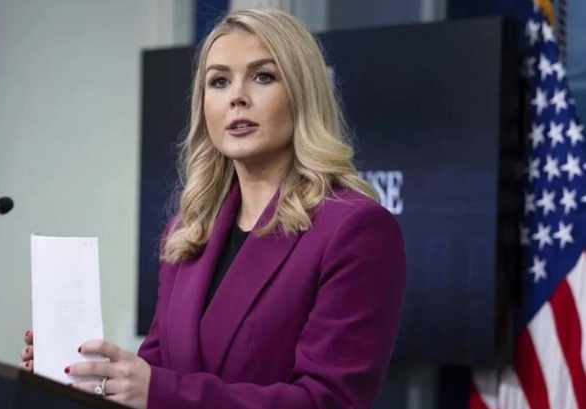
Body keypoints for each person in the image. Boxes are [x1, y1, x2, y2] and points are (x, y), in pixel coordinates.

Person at [21, 8, 406, 409]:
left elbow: (329, 401)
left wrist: (157, 391)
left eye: (263, 77)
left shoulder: (355, 228)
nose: (237, 97)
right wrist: (92, 376)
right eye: (219, 81)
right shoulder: (187, 232)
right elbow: (159, 372)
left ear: (302, 94)